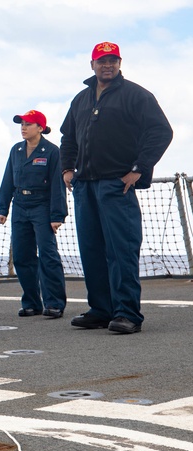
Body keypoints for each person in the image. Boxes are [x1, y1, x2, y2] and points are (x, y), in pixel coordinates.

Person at [60, 42, 173, 334]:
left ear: (120, 63)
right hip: (84, 187)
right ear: (92, 65)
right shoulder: (81, 99)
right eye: (101, 61)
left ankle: (127, 314)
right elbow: (67, 138)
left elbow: (161, 131)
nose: (107, 65)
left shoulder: (136, 95)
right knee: (91, 249)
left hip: (116, 185)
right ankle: (101, 309)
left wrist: (138, 169)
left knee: (121, 250)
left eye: (112, 60)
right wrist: (67, 169)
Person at [0, 110, 68, 319]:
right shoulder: (16, 150)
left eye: (28, 124)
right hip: (20, 205)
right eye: (22, 124)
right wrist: (3, 209)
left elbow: (58, 185)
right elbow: (8, 179)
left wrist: (57, 215)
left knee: (48, 255)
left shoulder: (52, 151)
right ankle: (31, 303)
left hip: (42, 206)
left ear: (40, 127)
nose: (23, 128)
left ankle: (54, 303)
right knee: (22, 256)